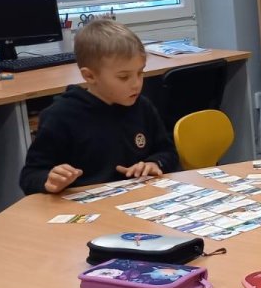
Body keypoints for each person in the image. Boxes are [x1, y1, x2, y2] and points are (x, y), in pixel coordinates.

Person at [19, 20, 178, 195]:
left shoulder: (143, 107)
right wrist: (49, 180)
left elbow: (167, 152)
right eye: (124, 77)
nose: (136, 84)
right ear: (90, 76)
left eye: (140, 73)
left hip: (138, 199)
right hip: (84, 206)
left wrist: (154, 163)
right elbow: (30, 176)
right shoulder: (60, 116)